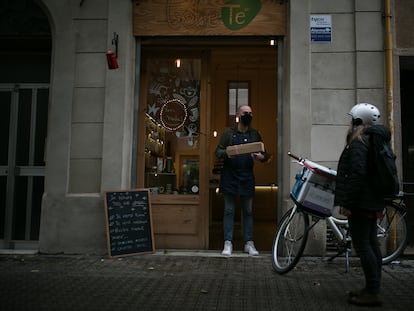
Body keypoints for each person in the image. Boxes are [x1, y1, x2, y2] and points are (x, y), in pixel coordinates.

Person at [334, 103, 391, 307]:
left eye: (352, 119)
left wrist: (347, 202)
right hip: (372, 200)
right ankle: (371, 288)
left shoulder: (359, 142)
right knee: (372, 244)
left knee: (364, 246)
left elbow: (357, 174)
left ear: (358, 121)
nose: (348, 122)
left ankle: (373, 291)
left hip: (361, 203)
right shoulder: (372, 140)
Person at [215, 105, 269, 256]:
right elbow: (217, 151)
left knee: (248, 212)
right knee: (229, 211)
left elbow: (266, 155)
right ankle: (228, 243)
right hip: (229, 176)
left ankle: (249, 243)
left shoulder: (255, 134)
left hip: (247, 177)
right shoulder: (228, 133)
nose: (249, 115)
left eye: (251, 113)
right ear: (238, 114)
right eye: (246, 113)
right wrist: (227, 153)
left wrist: (261, 157)